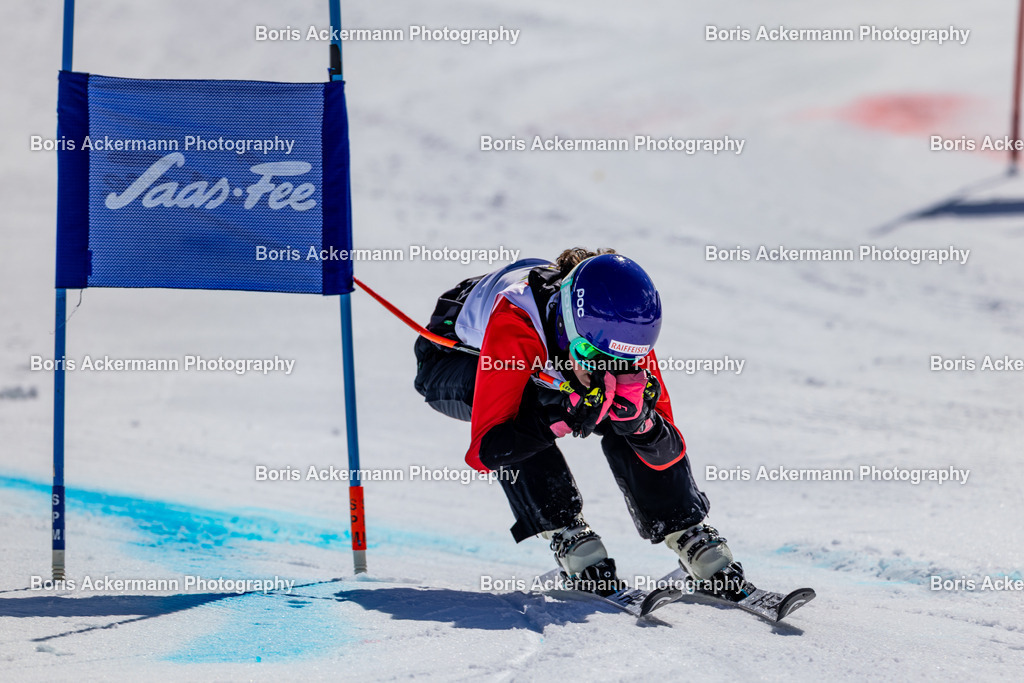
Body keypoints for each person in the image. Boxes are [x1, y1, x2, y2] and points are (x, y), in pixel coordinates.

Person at [414, 248, 734, 595]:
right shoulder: (517, 321)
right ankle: (567, 533)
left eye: (623, 359)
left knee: (623, 401)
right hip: (454, 362)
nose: (605, 365)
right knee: (529, 401)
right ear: (565, 324)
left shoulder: (625, 333)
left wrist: (641, 425)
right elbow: (486, 451)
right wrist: (560, 419)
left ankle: (688, 536)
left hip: (547, 366)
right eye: (590, 354)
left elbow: (668, 445)